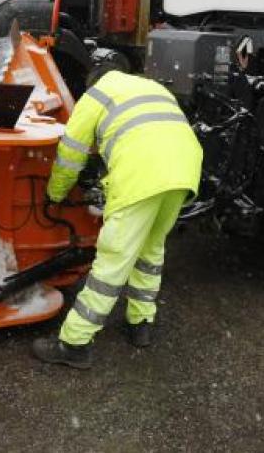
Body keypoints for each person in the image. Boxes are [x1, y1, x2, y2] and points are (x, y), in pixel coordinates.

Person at [32, 70, 203, 368]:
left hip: (142, 174)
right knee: (150, 249)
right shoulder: (150, 86)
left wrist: (55, 194)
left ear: (91, 82)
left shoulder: (96, 95)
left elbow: (71, 153)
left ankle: (75, 343)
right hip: (184, 170)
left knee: (112, 260)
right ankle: (141, 324)